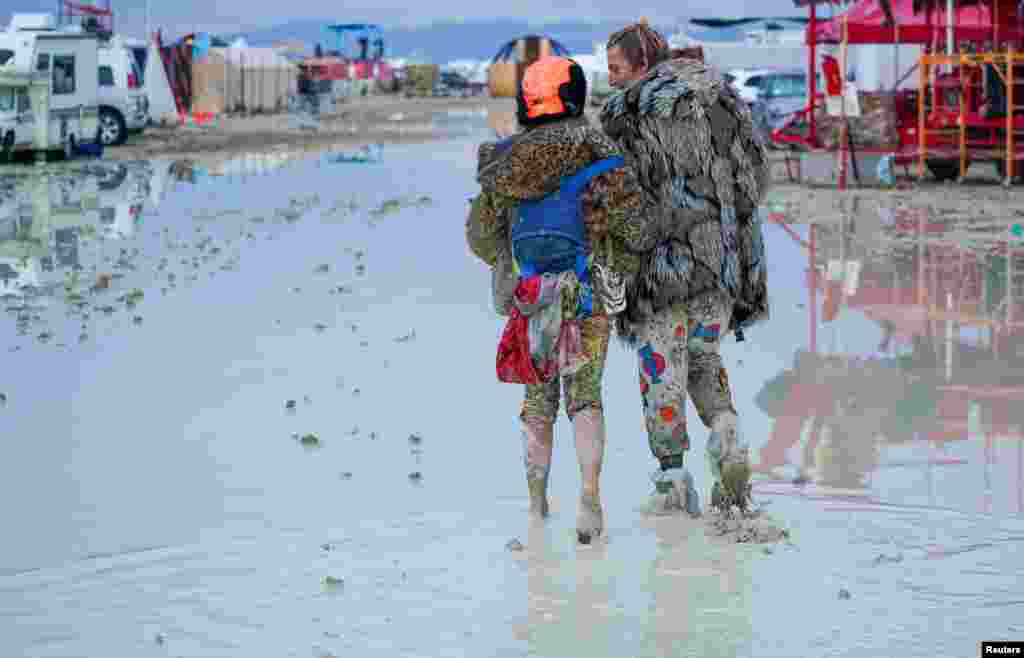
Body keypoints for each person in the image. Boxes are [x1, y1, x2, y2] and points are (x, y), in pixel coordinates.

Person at [465, 56, 669, 543]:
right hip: (589, 293)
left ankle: (536, 507)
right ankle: (590, 499)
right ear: (576, 96)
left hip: (531, 295)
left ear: (526, 102)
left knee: (537, 401)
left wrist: (515, 267)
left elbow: (479, 236)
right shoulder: (598, 151)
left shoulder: (505, 161)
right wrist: (618, 256)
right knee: (585, 396)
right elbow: (639, 230)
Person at [599, 20, 771, 514]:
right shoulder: (722, 100)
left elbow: (616, 201)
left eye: (616, 68)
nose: (611, 78)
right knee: (704, 359)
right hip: (720, 265)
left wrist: (614, 270)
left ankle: (672, 480)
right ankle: (727, 435)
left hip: (660, 270)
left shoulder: (626, 114)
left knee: (661, 371)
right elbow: (755, 178)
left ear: (642, 64)